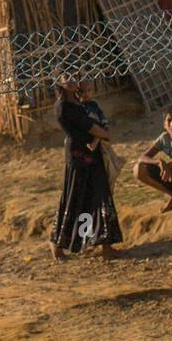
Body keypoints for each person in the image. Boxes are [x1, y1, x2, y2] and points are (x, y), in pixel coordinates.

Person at [50, 78, 122, 261]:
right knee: (74, 199)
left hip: (93, 156)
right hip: (78, 158)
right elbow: (89, 126)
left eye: (74, 76)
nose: (73, 81)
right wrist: (104, 134)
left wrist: (103, 133)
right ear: (59, 81)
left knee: (101, 197)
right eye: (67, 78)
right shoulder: (64, 107)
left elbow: (96, 121)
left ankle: (106, 246)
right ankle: (56, 244)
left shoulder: (79, 102)